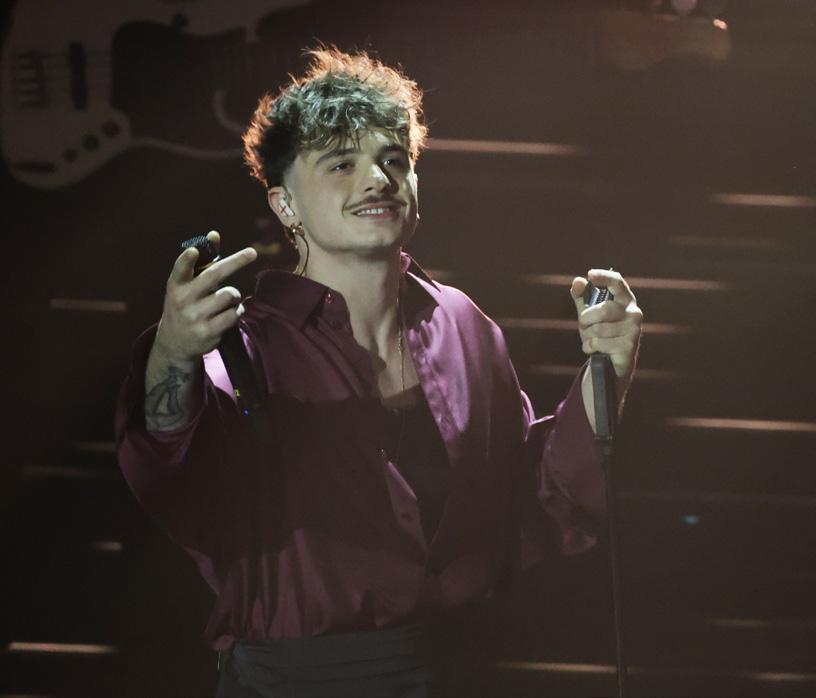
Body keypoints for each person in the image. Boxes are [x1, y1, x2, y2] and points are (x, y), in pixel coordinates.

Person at [115, 47, 642, 698]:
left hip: (454, 671)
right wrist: (172, 353)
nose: (377, 178)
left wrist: (608, 371)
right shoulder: (243, 347)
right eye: (341, 163)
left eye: (394, 159)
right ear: (285, 205)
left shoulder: (461, 324)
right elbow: (169, 461)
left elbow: (533, 494)